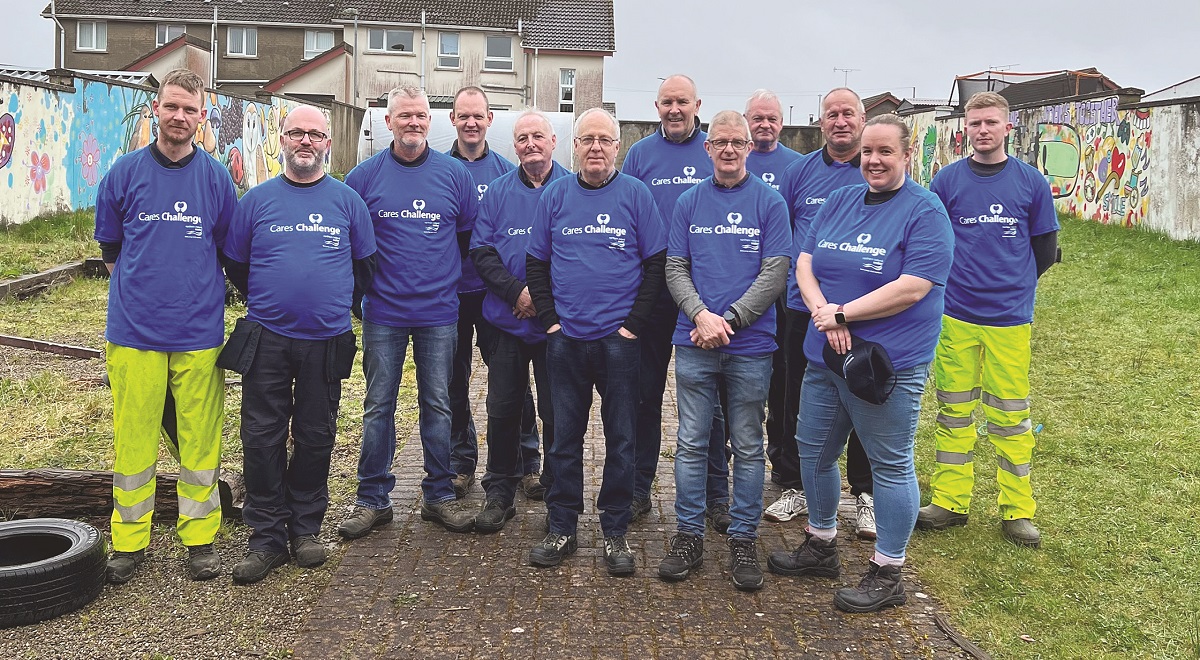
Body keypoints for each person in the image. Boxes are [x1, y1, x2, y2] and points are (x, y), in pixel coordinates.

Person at [767, 114, 954, 613]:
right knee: (814, 452)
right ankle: (821, 544)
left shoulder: (925, 211)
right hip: (825, 358)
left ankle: (888, 571)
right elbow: (805, 262)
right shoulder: (841, 200)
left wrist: (845, 312)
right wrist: (826, 316)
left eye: (885, 152)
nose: (873, 160)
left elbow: (914, 286)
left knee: (890, 465)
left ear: (907, 155)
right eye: (868, 152)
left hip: (883, 367)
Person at [221, 106, 376, 583]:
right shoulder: (257, 200)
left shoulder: (348, 202)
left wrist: (325, 304)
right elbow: (237, 266)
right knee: (261, 437)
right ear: (282, 140)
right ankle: (266, 536)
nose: (305, 141)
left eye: (315, 134)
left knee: (316, 435)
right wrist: (277, 300)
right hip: (267, 338)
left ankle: (305, 528)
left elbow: (363, 270)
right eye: (296, 133)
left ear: (328, 142)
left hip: (327, 339)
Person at [94, 68, 236, 584]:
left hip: (199, 333)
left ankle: (200, 538)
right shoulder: (124, 173)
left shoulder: (217, 178)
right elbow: (111, 249)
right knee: (133, 443)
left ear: (203, 115)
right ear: (157, 109)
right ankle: (129, 541)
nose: (180, 117)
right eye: (171, 106)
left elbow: (227, 248)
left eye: (190, 109)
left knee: (200, 441)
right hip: (134, 333)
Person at [525, 108, 666, 576]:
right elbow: (536, 263)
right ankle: (562, 526)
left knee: (621, 438)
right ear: (575, 146)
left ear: (617, 146)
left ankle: (615, 531)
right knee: (563, 438)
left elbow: (655, 264)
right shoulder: (556, 195)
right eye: (588, 140)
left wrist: (632, 325)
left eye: (605, 140)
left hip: (619, 344)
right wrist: (550, 322)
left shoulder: (637, 195)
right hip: (566, 342)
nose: (596, 148)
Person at [919, 91, 1059, 548]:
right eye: (975, 122)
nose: (983, 130)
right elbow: (932, 240)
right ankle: (949, 502)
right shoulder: (946, 180)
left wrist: (1012, 285)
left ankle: (1017, 511)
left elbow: (1043, 249)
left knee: (1010, 417)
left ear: (1007, 127)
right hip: (955, 315)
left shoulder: (1031, 182)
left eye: (991, 123)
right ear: (966, 127)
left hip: (1008, 319)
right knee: (954, 412)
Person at [658, 111, 790, 591]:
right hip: (693, 340)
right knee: (692, 442)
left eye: (738, 142)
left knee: (749, 445)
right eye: (721, 143)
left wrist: (728, 320)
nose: (730, 150)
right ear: (707, 148)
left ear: (749, 148)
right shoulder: (689, 202)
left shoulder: (770, 203)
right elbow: (675, 267)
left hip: (750, 344)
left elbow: (775, 272)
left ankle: (742, 538)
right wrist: (700, 316)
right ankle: (689, 534)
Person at [342, 86, 479, 538]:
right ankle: (372, 499)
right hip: (383, 313)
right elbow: (352, 248)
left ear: (430, 120)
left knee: (438, 404)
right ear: (388, 122)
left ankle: (438, 495)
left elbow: (465, 239)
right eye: (404, 116)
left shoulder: (454, 175)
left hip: (440, 312)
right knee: (378, 406)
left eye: (420, 115)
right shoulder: (362, 179)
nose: (413, 123)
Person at [766, 88, 877, 542]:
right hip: (802, 309)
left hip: (865, 312)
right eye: (831, 114)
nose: (840, 121)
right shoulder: (800, 172)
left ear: (862, 118)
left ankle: (865, 495)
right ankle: (796, 485)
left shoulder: (875, 167)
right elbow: (784, 233)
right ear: (820, 122)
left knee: (866, 400)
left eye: (848, 113)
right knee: (797, 399)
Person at [621, 74, 731, 533]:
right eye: (666, 102)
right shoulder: (640, 154)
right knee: (643, 394)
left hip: (698, 296)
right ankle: (638, 487)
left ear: (697, 104)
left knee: (710, 400)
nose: (674, 109)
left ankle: (716, 494)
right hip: (650, 292)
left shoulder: (712, 151)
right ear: (657, 106)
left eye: (682, 101)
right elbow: (625, 214)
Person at [468, 110, 570, 532]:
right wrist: (516, 293)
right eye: (523, 138)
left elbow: (579, 257)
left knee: (556, 411)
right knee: (503, 408)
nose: (531, 144)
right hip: (505, 322)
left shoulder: (572, 189)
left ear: (553, 142)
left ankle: (557, 491)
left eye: (538, 137)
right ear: (515, 147)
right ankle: (499, 491)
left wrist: (541, 301)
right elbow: (482, 252)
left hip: (554, 327)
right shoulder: (496, 192)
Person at [445, 87, 543, 500]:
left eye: (478, 116)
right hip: (449, 294)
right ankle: (460, 462)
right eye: (463, 115)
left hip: (494, 296)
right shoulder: (439, 169)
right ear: (453, 120)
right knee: (453, 381)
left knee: (511, 381)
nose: (471, 122)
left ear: (489, 120)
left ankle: (527, 462)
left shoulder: (506, 172)